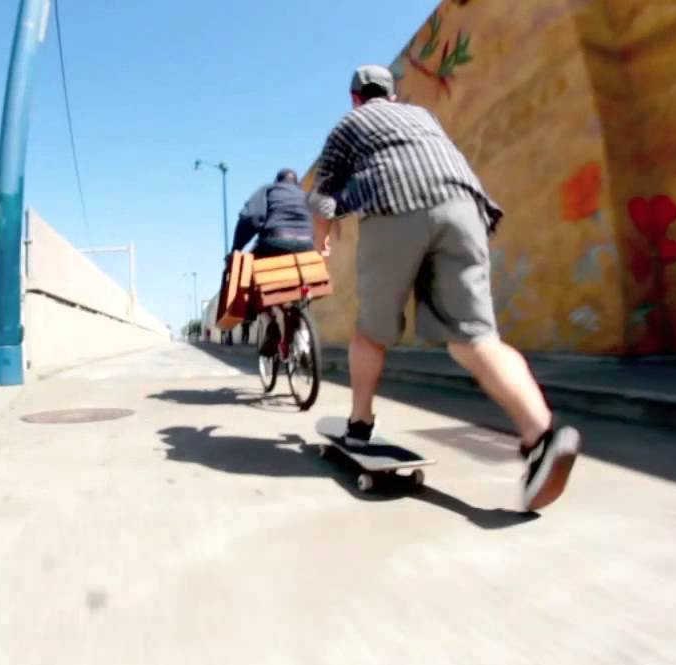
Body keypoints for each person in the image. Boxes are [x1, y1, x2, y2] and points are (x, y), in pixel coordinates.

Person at [308, 65, 580, 512]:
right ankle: (542, 436)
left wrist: (320, 243)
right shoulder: (423, 117)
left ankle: (359, 424)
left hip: (394, 207)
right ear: (392, 96)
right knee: (476, 339)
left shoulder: (349, 124)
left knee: (371, 331)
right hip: (463, 206)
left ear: (356, 98)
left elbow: (321, 198)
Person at [230, 169, 317, 357]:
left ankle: (268, 319)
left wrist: (237, 247)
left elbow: (250, 218)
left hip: (275, 242)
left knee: (251, 271)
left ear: (278, 181)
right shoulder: (306, 196)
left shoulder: (269, 190)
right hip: (306, 246)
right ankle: (301, 330)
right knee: (301, 284)